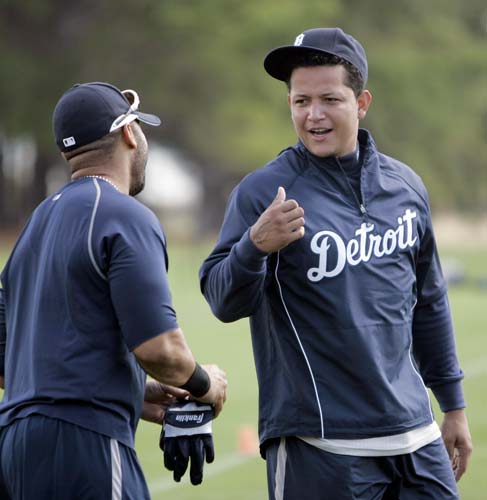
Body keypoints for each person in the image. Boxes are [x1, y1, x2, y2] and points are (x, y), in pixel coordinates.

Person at [199, 28, 472, 499]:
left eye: (329, 99)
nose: (314, 114)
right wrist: (254, 247)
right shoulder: (264, 192)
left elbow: (428, 302)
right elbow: (222, 300)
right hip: (319, 443)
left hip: (415, 436)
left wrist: (453, 407)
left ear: (362, 102)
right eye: (300, 101)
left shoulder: (405, 187)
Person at [0, 82, 227, 499]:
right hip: (86, 445)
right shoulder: (124, 213)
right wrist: (205, 385)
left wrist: (135, 392)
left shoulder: (34, 226)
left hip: (14, 446)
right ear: (128, 133)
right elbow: (160, 350)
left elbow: (7, 360)